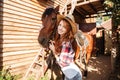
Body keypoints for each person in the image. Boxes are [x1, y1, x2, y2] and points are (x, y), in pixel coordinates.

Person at [49, 15, 82, 80]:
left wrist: (53, 51)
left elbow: (63, 63)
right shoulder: (62, 39)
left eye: (64, 27)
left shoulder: (67, 43)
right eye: (60, 25)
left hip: (73, 76)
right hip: (69, 74)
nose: (60, 28)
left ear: (68, 30)